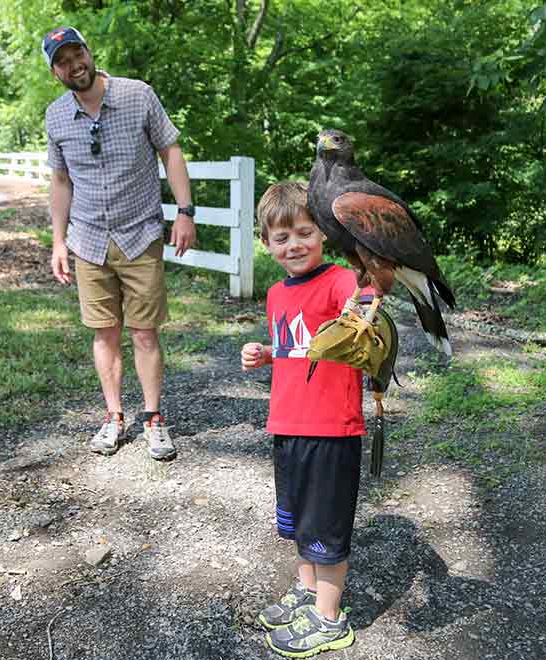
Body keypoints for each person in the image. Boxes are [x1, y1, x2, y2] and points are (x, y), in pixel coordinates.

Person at [42, 26, 196, 460]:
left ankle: (153, 419)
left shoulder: (137, 95)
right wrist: (58, 241)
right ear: (55, 71)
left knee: (144, 333)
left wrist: (185, 212)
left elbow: (171, 151)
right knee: (104, 333)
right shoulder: (56, 116)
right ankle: (113, 417)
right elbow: (59, 180)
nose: (75, 65)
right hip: (87, 240)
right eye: (63, 61)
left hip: (140, 233)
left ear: (89, 53)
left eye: (78, 54)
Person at [240, 181, 380, 656]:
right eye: (282, 238)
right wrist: (267, 355)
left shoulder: (340, 279)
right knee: (300, 522)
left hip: (330, 429)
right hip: (287, 426)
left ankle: (328, 618)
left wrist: (366, 302)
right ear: (267, 244)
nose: (294, 244)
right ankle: (306, 591)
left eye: (304, 232)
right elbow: (295, 348)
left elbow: (365, 304)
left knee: (325, 526)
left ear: (322, 232)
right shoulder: (277, 293)